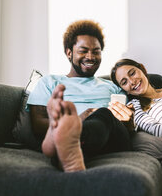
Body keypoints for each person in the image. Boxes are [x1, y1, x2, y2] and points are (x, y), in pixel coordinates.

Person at [27, 20, 134, 172]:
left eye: (96, 51)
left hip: (111, 140)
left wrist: (128, 120)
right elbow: (37, 124)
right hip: (79, 138)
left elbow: (124, 125)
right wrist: (80, 119)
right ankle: (69, 145)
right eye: (83, 51)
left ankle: (69, 139)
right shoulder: (50, 82)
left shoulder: (113, 86)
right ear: (69, 52)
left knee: (104, 113)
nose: (90, 57)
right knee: (84, 119)